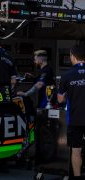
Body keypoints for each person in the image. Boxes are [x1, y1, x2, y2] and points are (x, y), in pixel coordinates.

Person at [57, 45, 85, 178]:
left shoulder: (67, 75)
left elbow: (60, 99)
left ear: (72, 57)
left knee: (76, 150)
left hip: (75, 119)